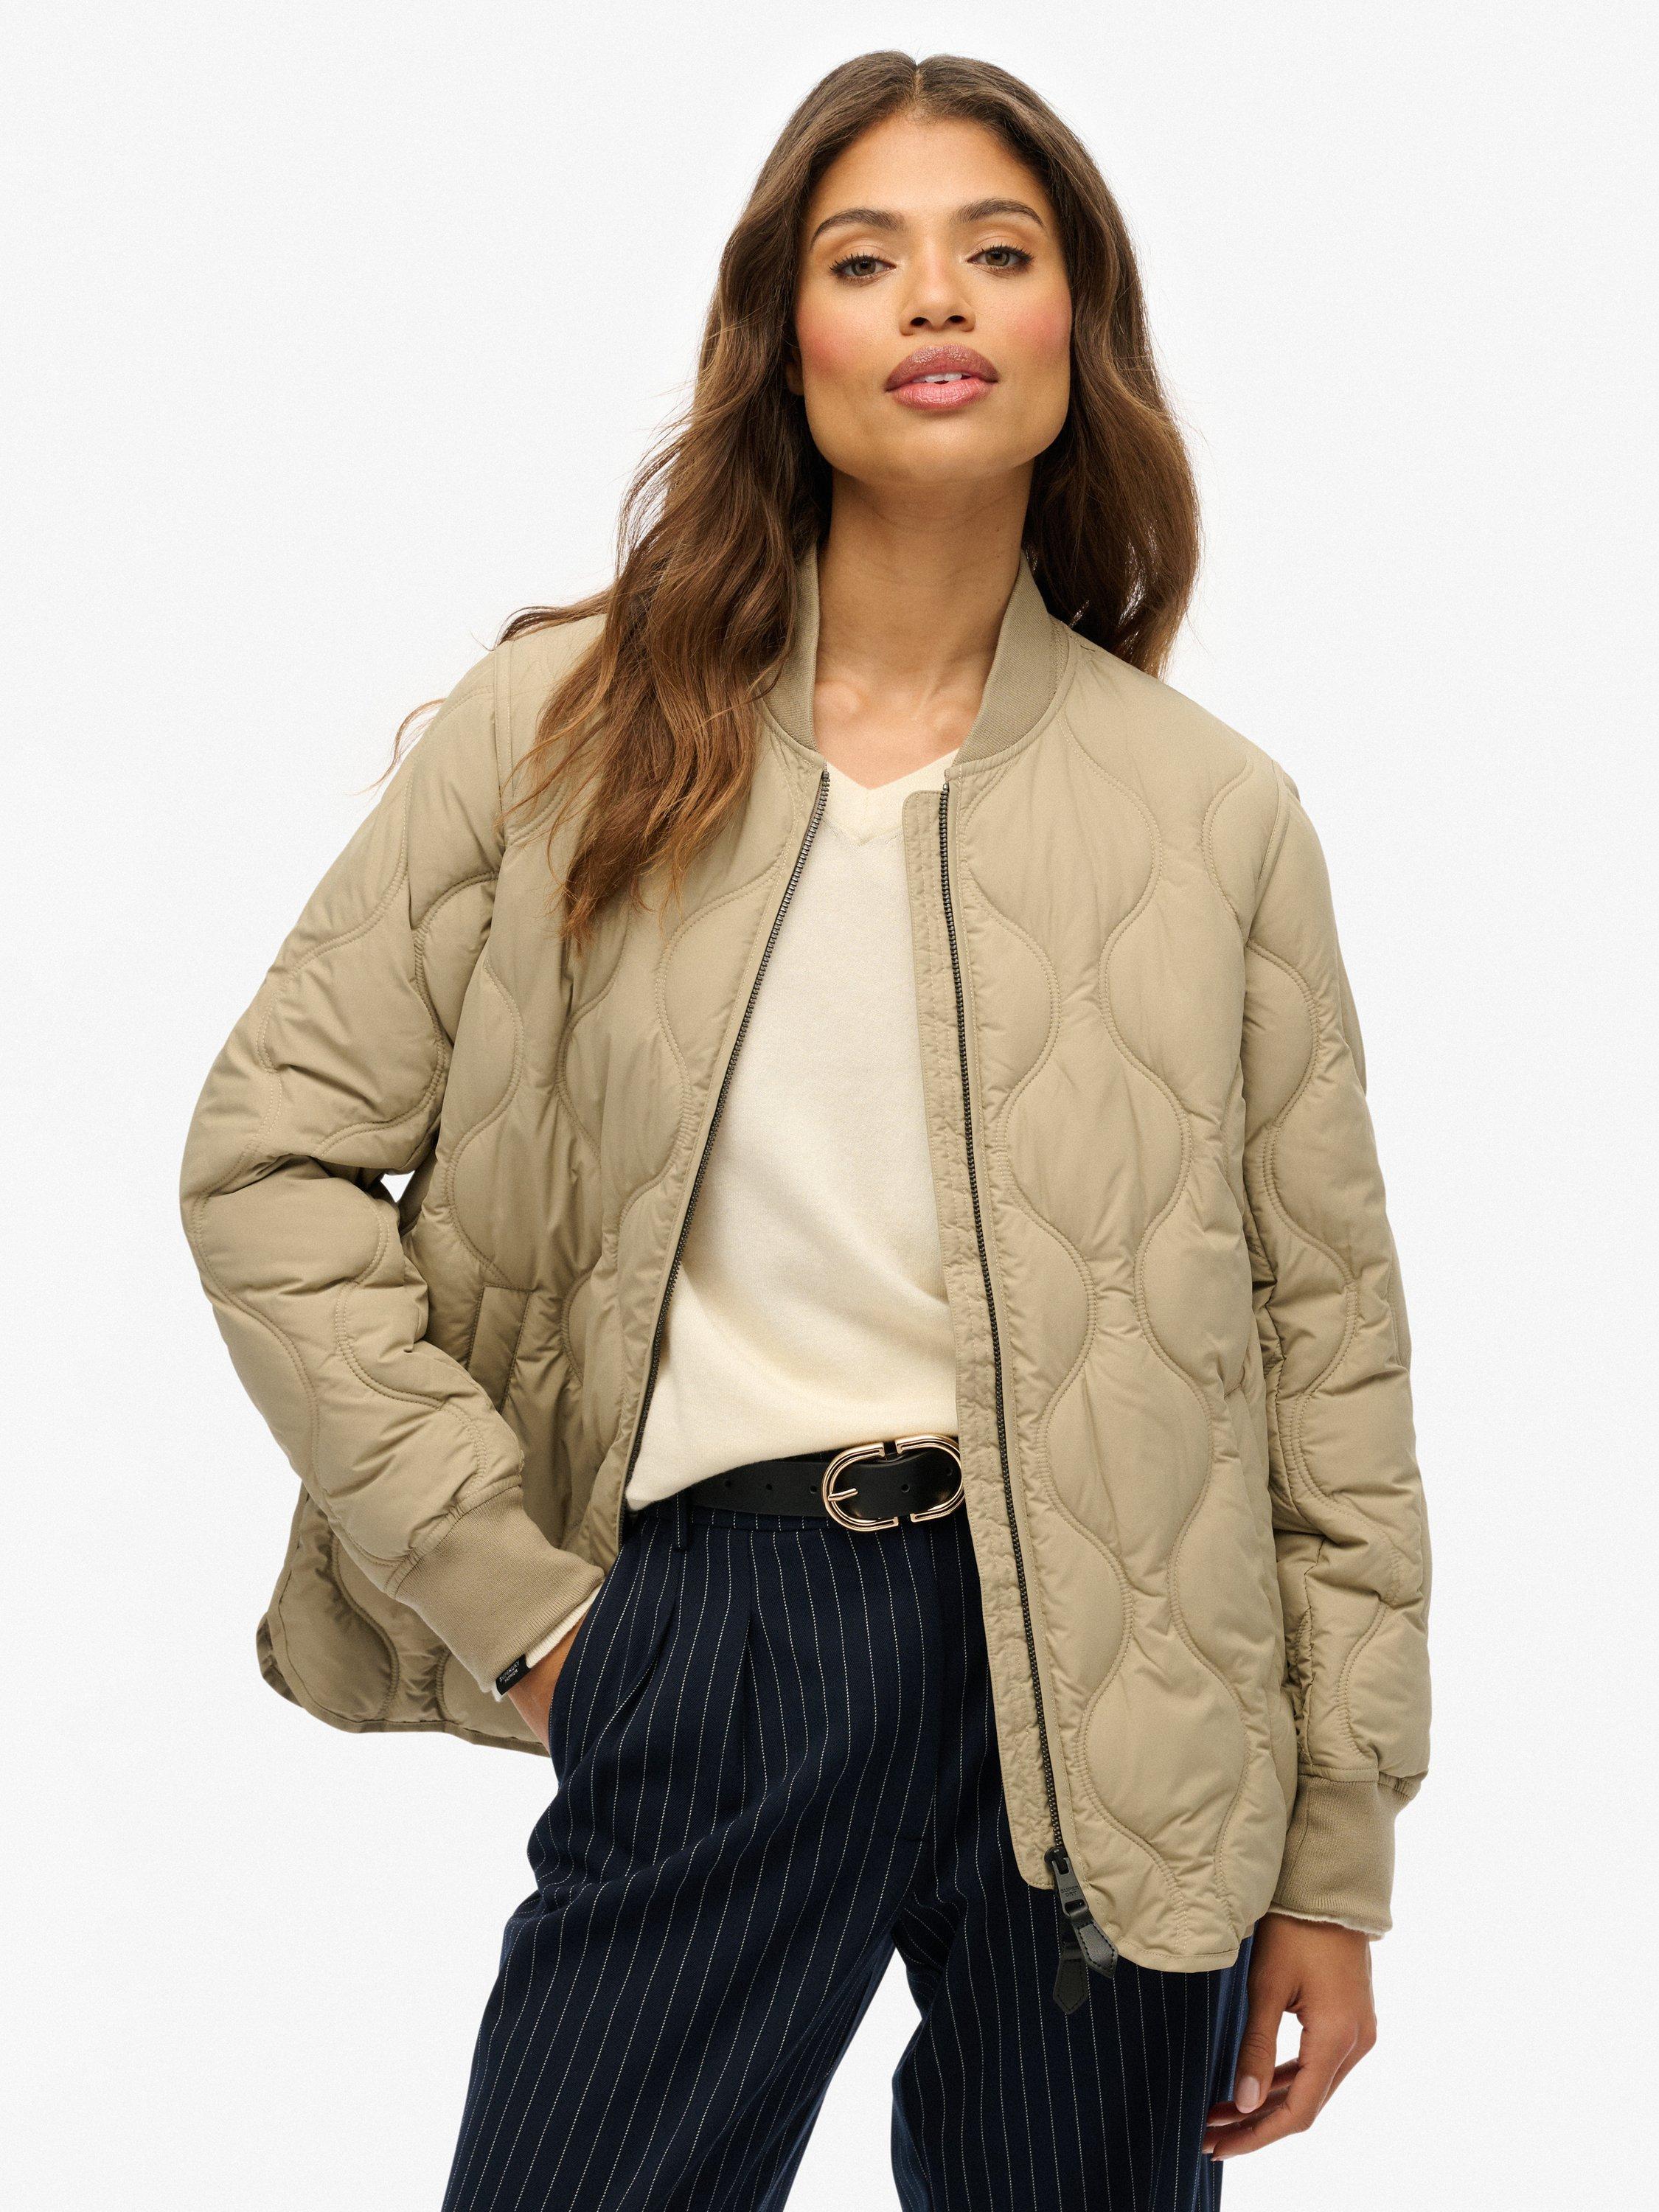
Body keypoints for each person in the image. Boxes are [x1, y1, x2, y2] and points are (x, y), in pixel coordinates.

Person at [179, 48, 1430, 2212]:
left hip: (1134, 1688)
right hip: (727, 1633)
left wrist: (1333, 1853)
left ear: (1077, 325)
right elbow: (266, 1167)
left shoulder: (1210, 816)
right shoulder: (562, 732)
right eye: (866, 260)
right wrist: (531, 1611)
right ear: (785, 336)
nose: (935, 298)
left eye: (996, 252)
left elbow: (1326, 1355)